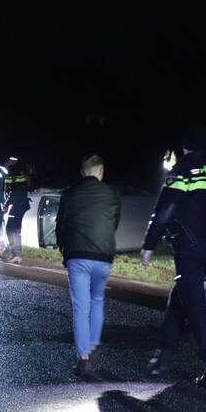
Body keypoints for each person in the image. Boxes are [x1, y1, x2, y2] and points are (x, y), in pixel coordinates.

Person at [141, 125, 206, 389]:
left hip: (188, 247)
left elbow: (167, 208)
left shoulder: (182, 171)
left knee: (195, 304)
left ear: (184, 146)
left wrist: (149, 244)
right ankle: (163, 355)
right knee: (181, 295)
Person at [56, 154, 121, 377]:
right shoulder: (112, 193)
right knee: (97, 301)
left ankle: (84, 358)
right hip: (103, 256)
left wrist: (64, 250)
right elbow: (114, 222)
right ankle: (92, 343)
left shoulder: (69, 194)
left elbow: (60, 227)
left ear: (82, 172)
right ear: (101, 171)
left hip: (77, 256)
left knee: (81, 307)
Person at [2, 160, 31, 264]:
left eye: (6, 163)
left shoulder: (11, 173)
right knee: (14, 229)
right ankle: (15, 253)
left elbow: (12, 192)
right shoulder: (20, 172)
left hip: (17, 205)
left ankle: (16, 254)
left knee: (11, 229)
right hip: (21, 203)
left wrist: (6, 204)